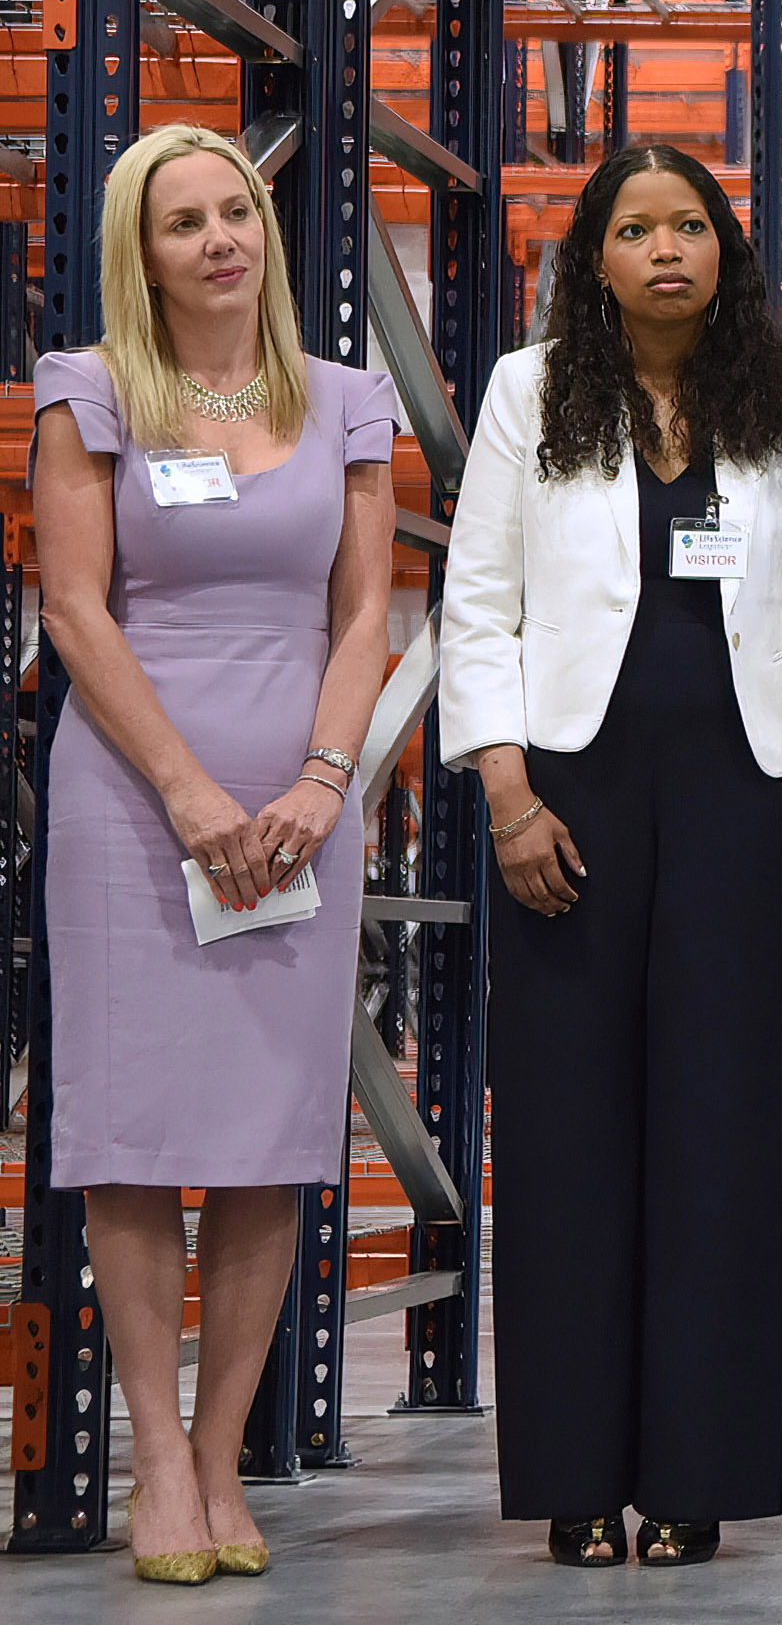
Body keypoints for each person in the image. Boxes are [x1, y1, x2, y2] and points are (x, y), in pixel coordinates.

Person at [439, 143, 782, 1570]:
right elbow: (479, 601)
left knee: (721, 1137)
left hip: (737, 805)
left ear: (722, 248)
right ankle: (574, 1477)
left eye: (690, 224)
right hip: (564, 796)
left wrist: (769, 729)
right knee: (568, 1135)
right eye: (636, 228)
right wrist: (506, 792)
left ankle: (694, 1480)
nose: (667, 249)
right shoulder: (527, 392)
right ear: (597, 255)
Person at [28, 124, 399, 1585]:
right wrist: (184, 793)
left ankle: (225, 1448)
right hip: (133, 796)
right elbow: (75, 610)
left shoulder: (351, 402)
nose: (219, 239)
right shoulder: (94, 392)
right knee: (133, 1141)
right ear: (144, 251)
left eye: (234, 209)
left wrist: (323, 778)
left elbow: (366, 614)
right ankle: (157, 1467)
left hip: (302, 799)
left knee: (268, 1140)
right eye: (182, 222)